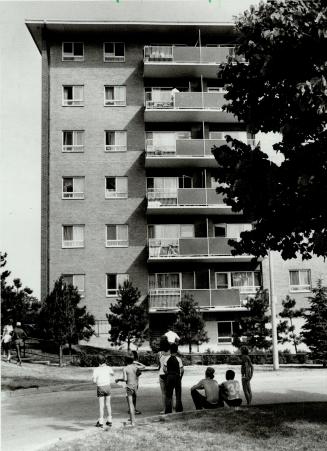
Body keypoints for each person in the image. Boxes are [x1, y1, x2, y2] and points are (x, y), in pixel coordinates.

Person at [115, 354, 142, 426]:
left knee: (130, 404)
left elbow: (125, 379)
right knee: (133, 402)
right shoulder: (135, 367)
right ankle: (132, 419)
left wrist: (118, 379)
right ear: (133, 360)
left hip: (129, 387)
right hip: (135, 387)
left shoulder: (125, 368)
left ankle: (132, 422)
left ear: (126, 361)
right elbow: (139, 373)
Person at [92, 354, 115, 428]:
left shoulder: (96, 369)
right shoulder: (108, 368)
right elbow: (112, 374)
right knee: (108, 404)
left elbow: (94, 381)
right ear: (105, 361)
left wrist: (96, 380)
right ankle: (109, 420)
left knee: (101, 405)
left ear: (98, 361)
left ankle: (101, 421)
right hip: (108, 387)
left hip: (100, 387)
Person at [163, 343, 184, 414]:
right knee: (178, 393)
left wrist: (167, 375)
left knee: (168, 394)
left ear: (170, 350)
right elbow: (182, 370)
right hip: (177, 376)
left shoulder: (166, 358)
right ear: (177, 350)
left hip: (169, 376)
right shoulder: (179, 359)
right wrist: (180, 377)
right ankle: (179, 409)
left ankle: (168, 410)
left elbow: (164, 369)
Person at [157, 335, 170, 413]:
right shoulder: (170, 352)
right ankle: (171, 408)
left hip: (161, 373)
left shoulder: (159, 353)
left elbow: (159, 364)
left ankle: (164, 409)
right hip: (169, 373)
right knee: (170, 392)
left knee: (163, 393)